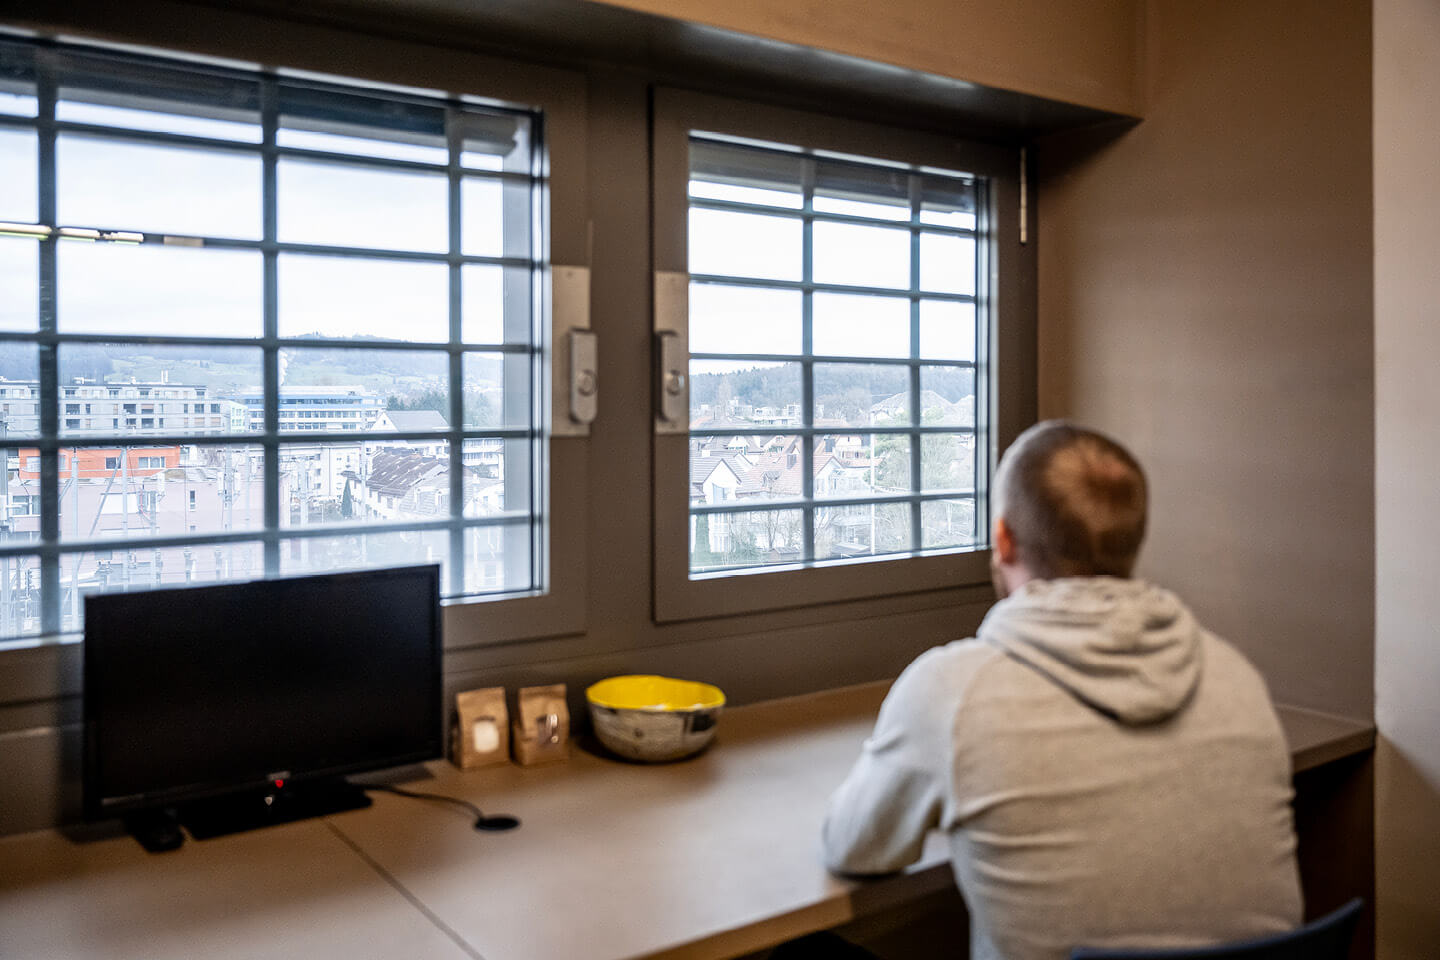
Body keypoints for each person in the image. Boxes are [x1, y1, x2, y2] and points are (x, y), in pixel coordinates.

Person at [816, 420, 1303, 960]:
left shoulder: (954, 691)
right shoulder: (1235, 676)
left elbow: (855, 848)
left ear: (1002, 539)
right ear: (1132, 540)